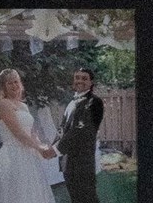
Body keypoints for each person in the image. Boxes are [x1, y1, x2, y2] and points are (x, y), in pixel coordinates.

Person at [0, 67, 59, 203]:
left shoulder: (23, 106)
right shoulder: (3, 104)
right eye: (9, 83)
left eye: (16, 81)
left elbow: (31, 132)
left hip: (28, 157)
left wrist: (43, 148)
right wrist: (39, 148)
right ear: (3, 86)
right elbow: (19, 133)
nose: (14, 85)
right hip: (12, 156)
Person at [56, 67, 105, 203]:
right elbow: (63, 129)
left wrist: (55, 149)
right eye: (77, 77)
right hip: (68, 161)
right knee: (75, 198)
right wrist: (52, 145)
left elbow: (80, 131)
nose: (80, 81)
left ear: (91, 82)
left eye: (84, 78)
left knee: (88, 197)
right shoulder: (71, 103)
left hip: (83, 162)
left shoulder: (94, 102)